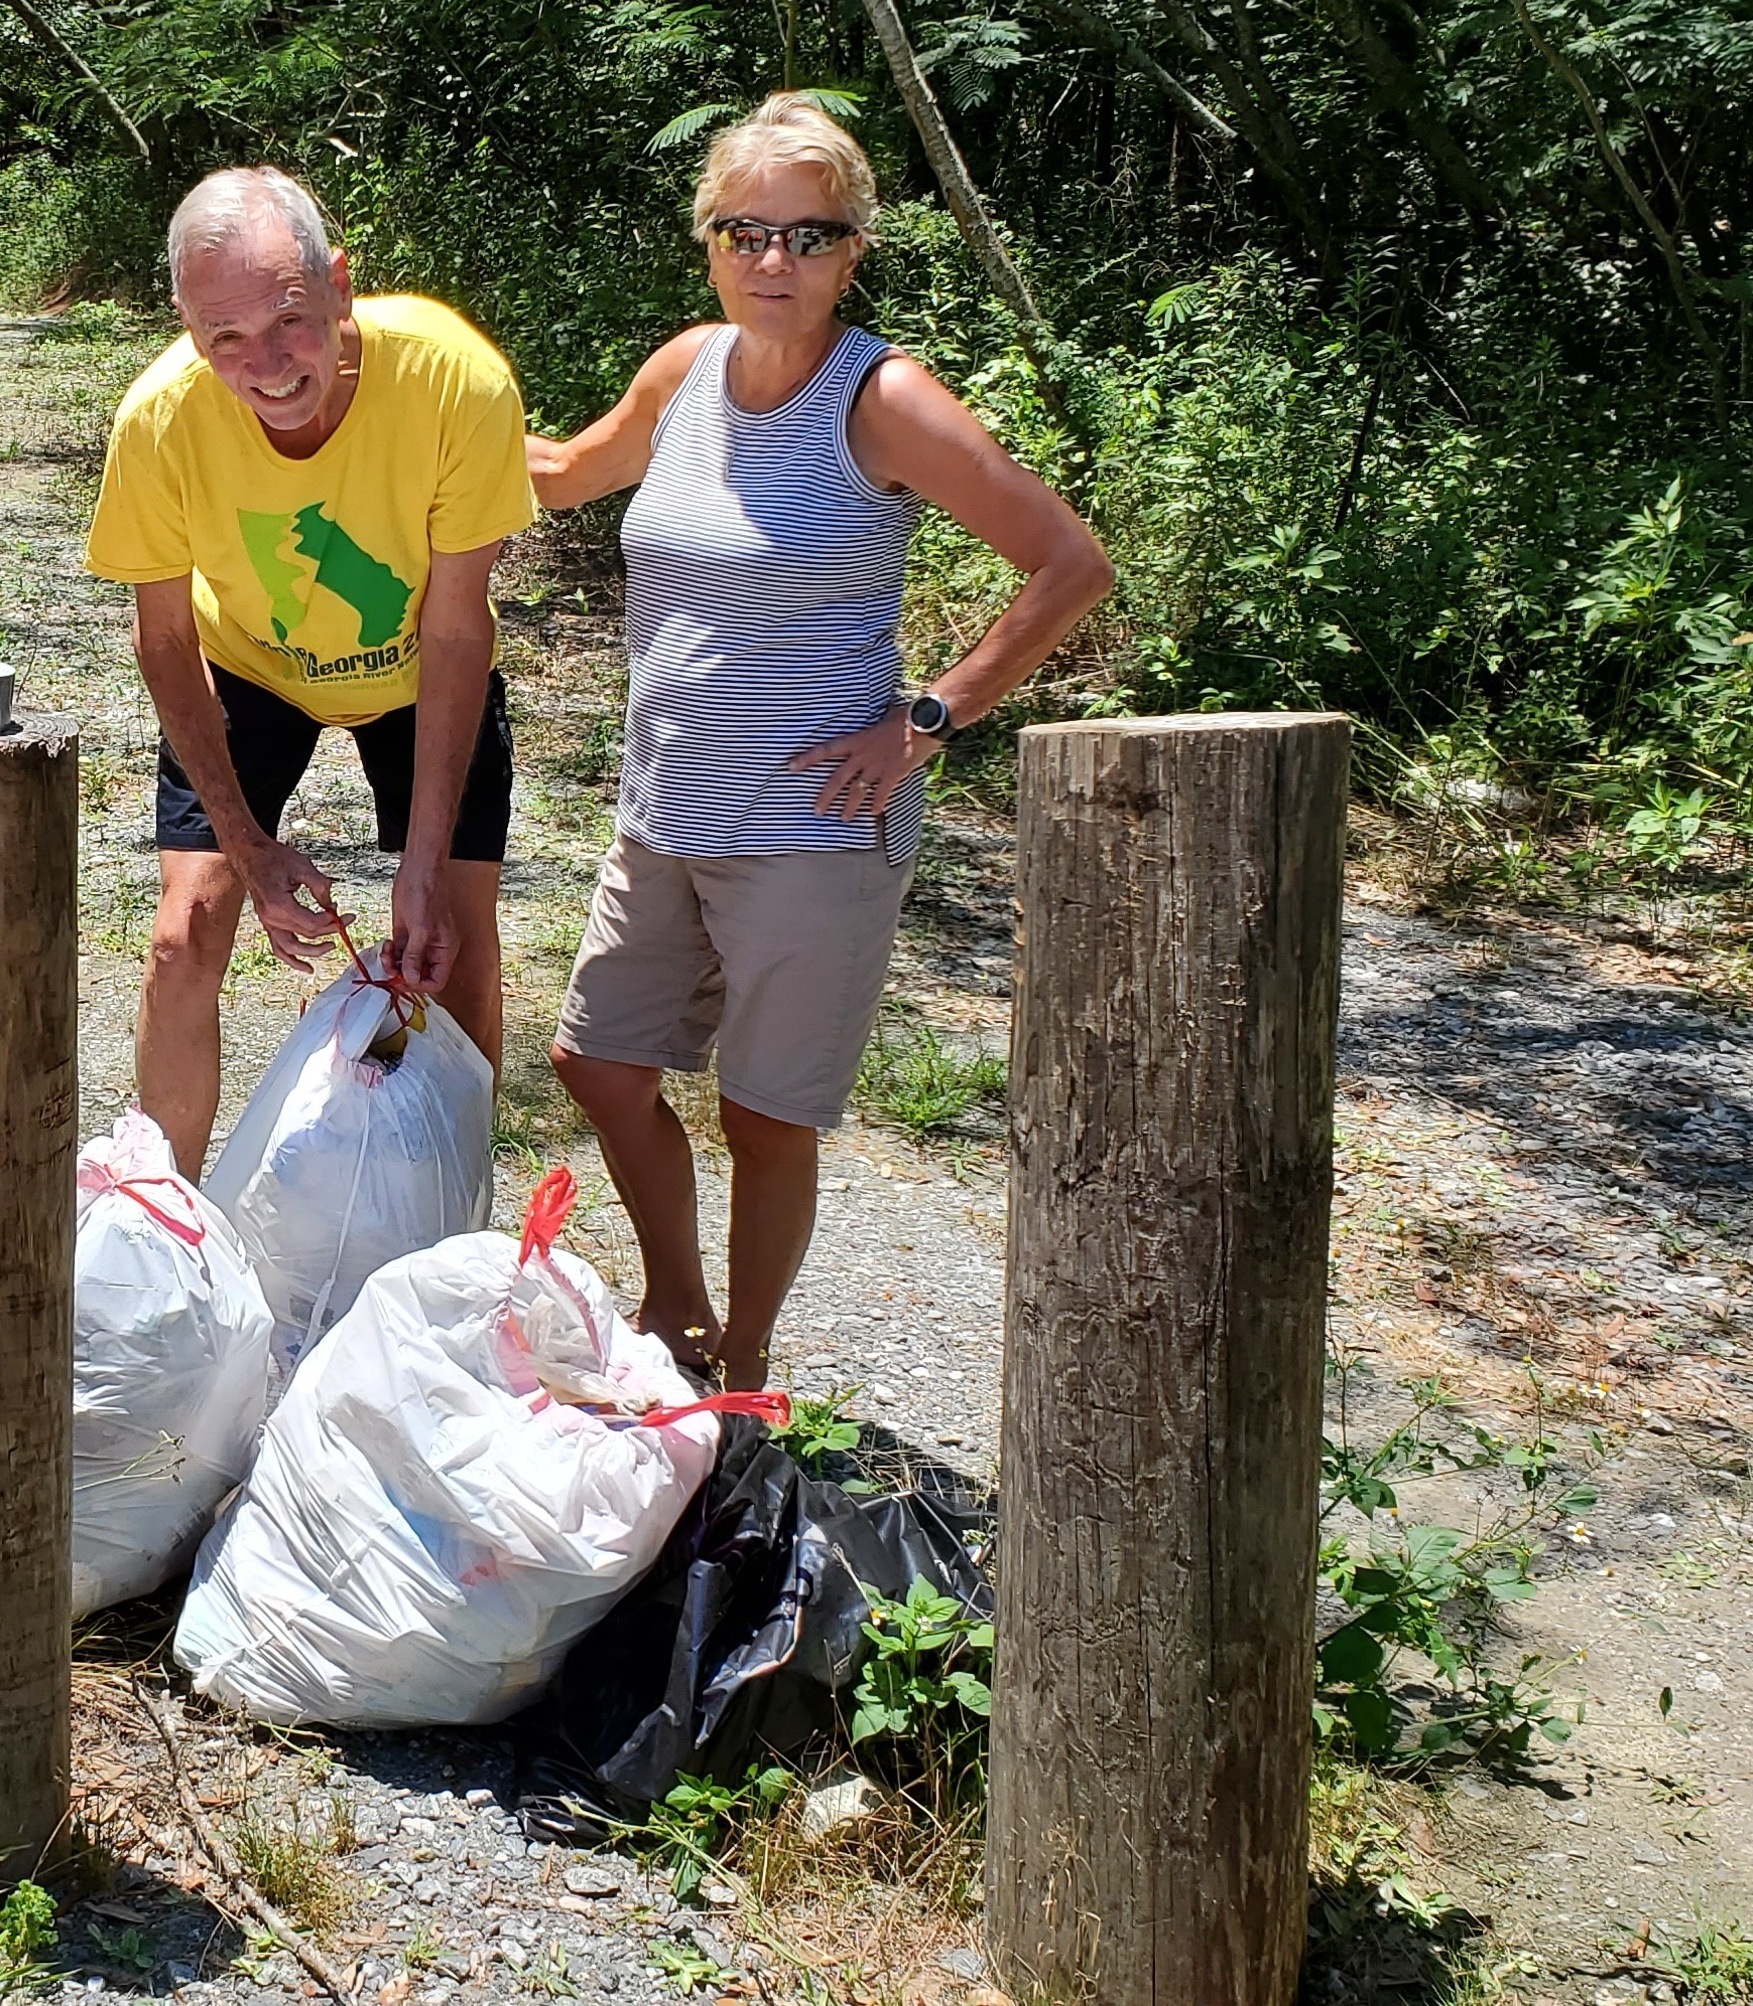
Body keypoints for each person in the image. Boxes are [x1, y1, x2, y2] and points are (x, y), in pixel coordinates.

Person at [526, 94, 1113, 1392]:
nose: (773, 262)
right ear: (709, 240)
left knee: (763, 1117)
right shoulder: (685, 372)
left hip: (809, 827)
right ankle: (676, 1312)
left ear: (855, 251)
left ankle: (742, 1370)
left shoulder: (884, 400)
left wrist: (925, 719)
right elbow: (565, 470)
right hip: (664, 809)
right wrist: (402, 429)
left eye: (808, 235)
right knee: (601, 1062)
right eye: (746, 231)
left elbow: (1069, 563)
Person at [86, 168, 535, 1168]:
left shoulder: (454, 379)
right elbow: (164, 642)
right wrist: (248, 850)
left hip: (422, 665)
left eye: (289, 320)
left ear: (339, 284)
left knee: (453, 945)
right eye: (225, 339)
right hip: (245, 664)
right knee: (182, 936)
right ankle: (166, 1227)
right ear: (187, 324)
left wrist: (418, 869)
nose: (267, 365)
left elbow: (462, 628)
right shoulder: (159, 419)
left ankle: (446, 1234)